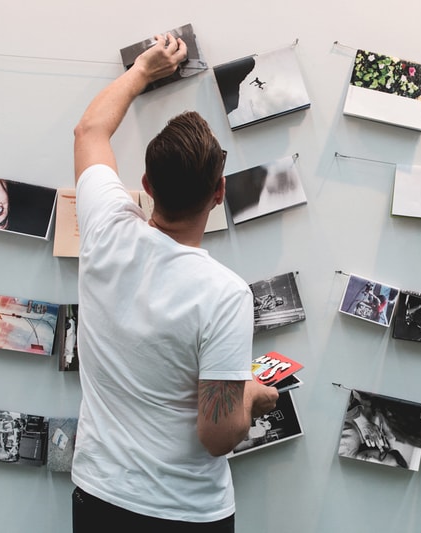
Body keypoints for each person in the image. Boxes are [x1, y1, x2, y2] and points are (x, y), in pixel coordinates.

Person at [70, 33, 278, 533]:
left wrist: (144, 70)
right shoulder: (224, 295)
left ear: (145, 185)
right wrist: (253, 393)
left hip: (98, 498)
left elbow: (89, 132)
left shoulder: (103, 230)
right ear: (219, 193)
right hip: (182, 514)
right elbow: (218, 435)